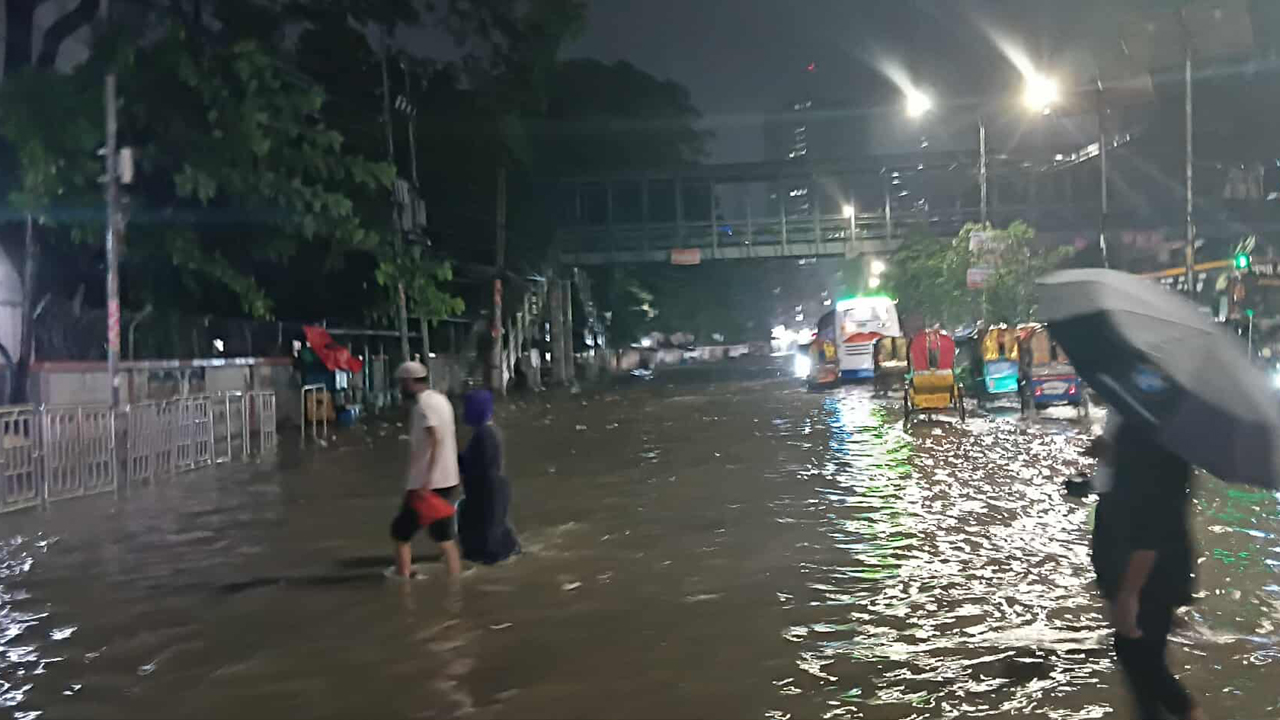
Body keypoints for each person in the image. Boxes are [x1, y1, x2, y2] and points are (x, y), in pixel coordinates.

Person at [1090, 419, 1203, 720]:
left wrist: (1129, 592)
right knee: (1144, 669)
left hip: (1144, 575)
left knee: (1143, 665)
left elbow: (1152, 522)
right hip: (1148, 573)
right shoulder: (1155, 428)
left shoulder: (1148, 429)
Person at [389, 361, 462, 581]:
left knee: (400, 533)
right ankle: (456, 580)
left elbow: (436, 437)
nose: (400, 389)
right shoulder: (441, 400)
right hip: (448, 480)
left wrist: (426, 482)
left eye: (402, 384)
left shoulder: (423, 406)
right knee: (444, 537)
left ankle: (403, 580)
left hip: (427, 484)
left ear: (409, 383)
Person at [457, 389, 520, 564]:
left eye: (467, 407)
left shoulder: (485, 435)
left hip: (487, 491)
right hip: (490, 490)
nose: (464, 412)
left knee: (488, 540)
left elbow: (477, 465)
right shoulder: (487, 432)